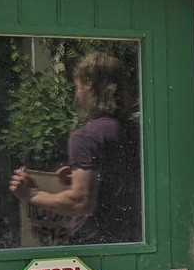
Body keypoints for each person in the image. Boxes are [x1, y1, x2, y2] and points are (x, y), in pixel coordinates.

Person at [10, 50, 140, 245]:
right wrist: (78, 175)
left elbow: (81, 201)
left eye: (77, 84)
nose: (76, 91)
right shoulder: (136, 131)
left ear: (88, 84)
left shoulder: (86, 137)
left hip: (96, 244)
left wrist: (32, 194)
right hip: (134, 238)